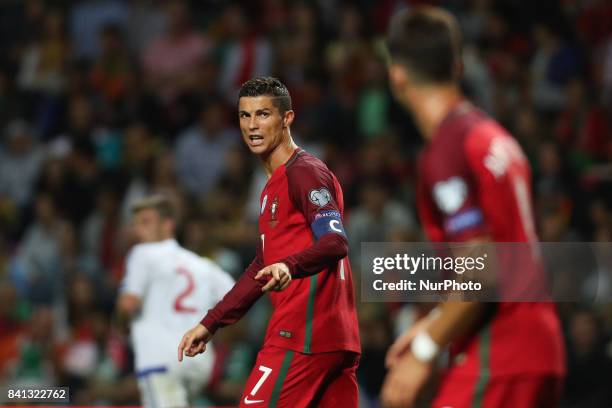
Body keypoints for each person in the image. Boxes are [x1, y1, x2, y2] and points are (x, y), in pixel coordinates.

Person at [381, 7, 565, 408]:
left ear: (397, 75)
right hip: (539, 346)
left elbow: (482, 265)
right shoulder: (492, 136)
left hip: (500, 353)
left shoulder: (448, 148)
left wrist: (425, 350)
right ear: (458, 66)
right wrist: (434, 323)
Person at [178, 77, 361, 407]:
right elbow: (261, 267)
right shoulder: (271, 189)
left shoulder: (303, 173)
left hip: (302, 337)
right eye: (244, 116)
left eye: (263, 114)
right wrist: (211, 322)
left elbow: (335, 241)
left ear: (287, 118)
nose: (252, 125)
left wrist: (289, 266)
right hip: (332, 341)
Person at [116, 195, 234, 408]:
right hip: (198, 364)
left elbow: (128, 304)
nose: (138, 230)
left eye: (146, 222)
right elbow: (236, 298)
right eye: (136, 224)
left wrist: (121, 325)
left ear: (168, 224)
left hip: (160, 362)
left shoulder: (143, 253)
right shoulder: (201, 264)